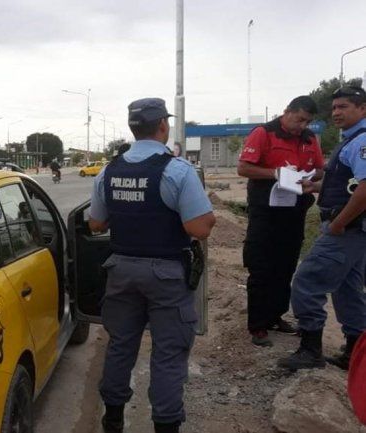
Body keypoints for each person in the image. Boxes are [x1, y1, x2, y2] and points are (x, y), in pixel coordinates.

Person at [89, 98, 216, 433]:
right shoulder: (177, 170)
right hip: (166, 275)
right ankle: (165, 424)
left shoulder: (109, 171)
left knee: (120, 346)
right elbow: (199, 228)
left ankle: (113, 418)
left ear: (133, 128)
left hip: (121, 272)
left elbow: (96, 225)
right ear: (163, 125)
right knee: (168, 354)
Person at [278, 86, 366, 371]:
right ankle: (354, 352)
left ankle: (310, 350)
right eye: (335, 107)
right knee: (347, 289)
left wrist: (339, 224)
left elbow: (365, 188)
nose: (336, 112)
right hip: (354, 231)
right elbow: (348, 182)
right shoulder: (351, 140)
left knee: (306, 281)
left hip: (346, 229)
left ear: (362, 108)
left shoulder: (361, 141)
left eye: (344, 107)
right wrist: (314, 186)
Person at [237, 96, 324, 347]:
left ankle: (276, 316)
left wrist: (306, 175)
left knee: (286, 267)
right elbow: (244, 168)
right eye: (299, 119)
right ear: (287, 112)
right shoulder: (264, 133)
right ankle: (258, 325)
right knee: (261, 267)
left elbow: (319, 169)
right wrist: (275, 173)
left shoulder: (309, 139)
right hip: (266, 213)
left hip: (294, 212)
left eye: (307, 121)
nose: (302, 126)